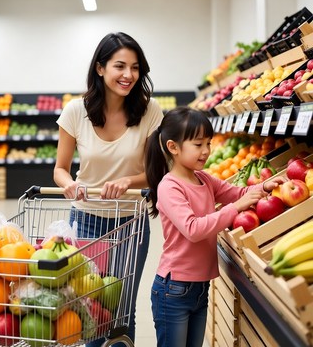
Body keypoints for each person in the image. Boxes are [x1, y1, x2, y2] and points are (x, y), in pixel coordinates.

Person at [53, 31, 164, 346]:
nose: (128, 75)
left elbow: (156, 170)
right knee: (89, 307)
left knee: (122, 309)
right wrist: (70, 185)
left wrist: (129, 181)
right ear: (100, 68)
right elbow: (60, 170)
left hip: (131, 222)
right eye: (119, 66)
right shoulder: (76, 111)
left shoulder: (150, 111)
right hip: (87, 219)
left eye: (135, 67)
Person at [144, 106, 286, 347]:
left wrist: (264, 187)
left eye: (208, 143)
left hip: (200, 288)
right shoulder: (169, 187)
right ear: (173, 147)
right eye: (198, 145)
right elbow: (193, 229)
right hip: (173, 290)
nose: (206, 151)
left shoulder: (204, 179)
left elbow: (237, 193)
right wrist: (235, 208)